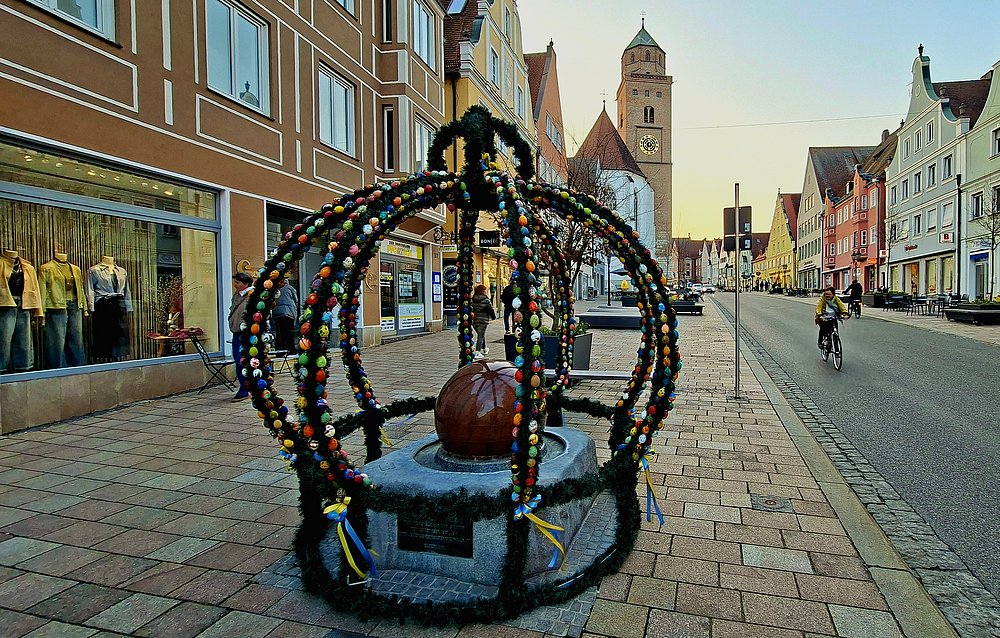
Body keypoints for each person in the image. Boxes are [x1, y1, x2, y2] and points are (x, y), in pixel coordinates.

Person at [228, 272, 254, 401]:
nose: (235, 284)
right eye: (235, 282)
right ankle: (245, 387)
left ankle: (245, 389)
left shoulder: (253, 295)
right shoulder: (237, 295)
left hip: (246, 333)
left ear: (246, 283)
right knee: (238, 361)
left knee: (241, 361)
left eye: (238, 282)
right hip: (236, 332)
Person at [814, 286, 848, 350]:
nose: (827, 296)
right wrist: (820, 315)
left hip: (833, 317)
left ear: (833, 294)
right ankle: (820, 341)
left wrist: (845, 313)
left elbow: (841, 306)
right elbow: (818, 307)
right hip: (823, 317)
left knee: (835, 331)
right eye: (826, 294)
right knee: (823, 329)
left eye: (829, 294)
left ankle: (836, 347)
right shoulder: (822, 300)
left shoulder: (836, 299)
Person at [272, 278, 299, 352]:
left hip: (277, 313)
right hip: (288, 313)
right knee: (289, 332)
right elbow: (296, 300)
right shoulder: (290, 288)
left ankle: (279, 350)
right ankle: (291, 350)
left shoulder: (274, 289)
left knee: (279, 333)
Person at [470, 283, 496, 358]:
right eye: (485, 290)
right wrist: (493, 317)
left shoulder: (472, 299)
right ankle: (477, 352)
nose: (486, 291)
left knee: (481, 334)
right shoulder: (486, 300)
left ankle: (484, 349)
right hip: (483, 320)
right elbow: (490, 310)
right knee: (480, 336)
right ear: (482, 291)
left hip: (474, 320)